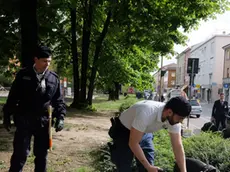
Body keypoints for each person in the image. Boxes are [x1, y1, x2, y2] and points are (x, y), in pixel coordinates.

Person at [3, 45, 66, 172]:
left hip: (43, 122)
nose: (47, 64)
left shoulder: (53, 78)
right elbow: (13, 97)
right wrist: (7, 115)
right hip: (24, 119)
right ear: (35, 59)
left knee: (42, 155)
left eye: (49, 61)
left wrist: (60, 117)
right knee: (20, 154)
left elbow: (58, 101)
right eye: (44, 61)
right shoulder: (23, 75)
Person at [108, 96, 191, 172]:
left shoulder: (174, 119)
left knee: (149, 166)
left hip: (144, 131)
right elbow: (133, 143)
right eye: (181, 118)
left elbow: (177, 146)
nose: (181, 121)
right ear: (169, 112)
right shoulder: (147, 112)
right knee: (124, 167)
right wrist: (148, 167)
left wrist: (183, 170)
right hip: (124, 131)